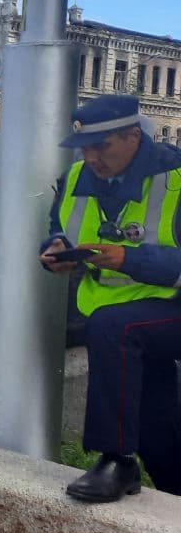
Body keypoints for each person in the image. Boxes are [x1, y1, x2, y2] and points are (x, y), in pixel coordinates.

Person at [41, 93, 181, 502]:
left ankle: (116, 459)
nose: (92, 157)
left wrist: (131, 260)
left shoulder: (176, 175)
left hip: (166, 309)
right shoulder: (75, 179)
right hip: (132, 320)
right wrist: (57, 248)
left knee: (115, 327)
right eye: (84, 147)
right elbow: (59, 225)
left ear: (133, 136)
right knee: (157, 430)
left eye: (102, 145)